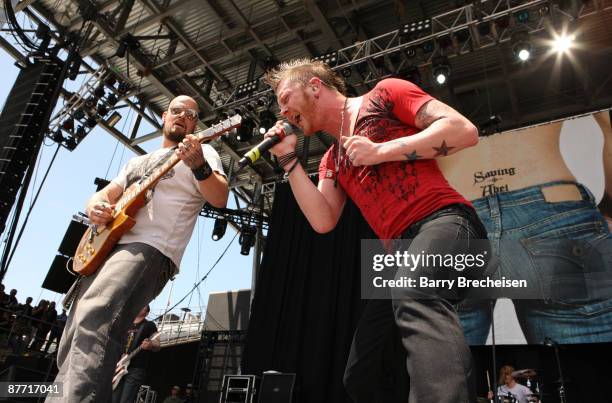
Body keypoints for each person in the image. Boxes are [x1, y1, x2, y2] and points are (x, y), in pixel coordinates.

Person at [263, 59, 487, 402]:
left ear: (314, 86)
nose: (282, 110)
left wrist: (380, 151)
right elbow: (323, 221)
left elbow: (463, 131)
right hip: (400, 257)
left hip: (446, 223)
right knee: (361, 372)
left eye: (285, 97)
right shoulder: (332, 159)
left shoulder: (385, 94)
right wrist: (288, 160)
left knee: (415, 293)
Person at [47, 95, 229, 402]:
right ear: (163, 116)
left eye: (190, 114)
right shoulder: (137, 162)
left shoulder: (205, 151)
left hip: (150, 246)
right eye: (176, 111)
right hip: (107, 247)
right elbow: (103, 195)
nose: (182, 116)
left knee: (96, 317)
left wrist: (197, 164)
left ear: (196, 124)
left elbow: (220, 197)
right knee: (74, 326)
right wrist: (96, 207)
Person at [438, 111, 612, 344]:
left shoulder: (403, 77)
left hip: (451, 213)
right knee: (590, 372)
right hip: (555, 210)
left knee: (440, 375)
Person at [112, 305, 160, 403]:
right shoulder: (126, 324)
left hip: (136, 368)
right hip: (119, 366)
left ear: (147, 313)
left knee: (126, 400)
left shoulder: (149, 325)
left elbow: (158, 344)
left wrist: (150, 345)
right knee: (113, 399)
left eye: (144, 306)